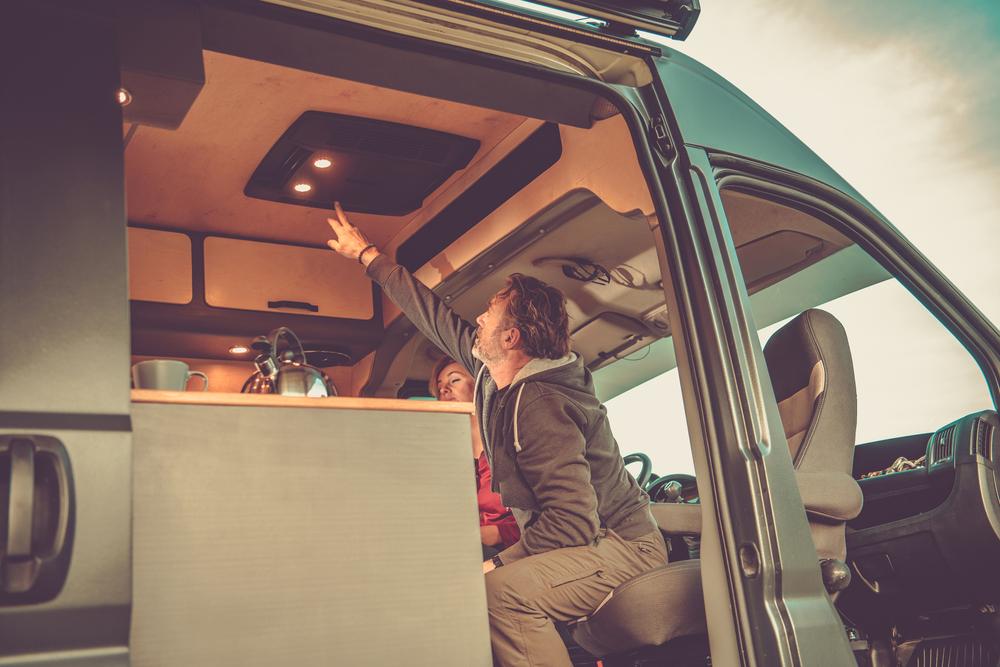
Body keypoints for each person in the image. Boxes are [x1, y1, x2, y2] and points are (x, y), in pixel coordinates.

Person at [326, 202, 667, 667]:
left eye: (490, 313)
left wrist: (499, 562)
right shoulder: (494, 378)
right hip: (592, 541)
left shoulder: (543, 404)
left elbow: (573, 522)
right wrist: (367, 256)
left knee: (498, 593)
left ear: (511, 339)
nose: (479, 321)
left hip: (623, 547)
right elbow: (434, 317)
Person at [431, 356, 521, 559]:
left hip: (511, 548)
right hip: (466, 545)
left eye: (454, 380)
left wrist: (499, 533)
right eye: (440, 386)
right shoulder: (445, 451)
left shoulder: (508, 438)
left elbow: (544, 516)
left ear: (480, 385)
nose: (444, 389)